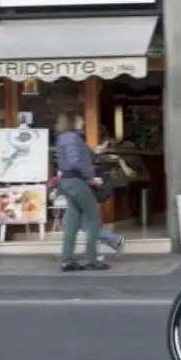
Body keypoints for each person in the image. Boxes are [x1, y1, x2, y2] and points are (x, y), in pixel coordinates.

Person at [55, 112, 109, 272]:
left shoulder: (67, 137)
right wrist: (90, 178)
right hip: (77, 181)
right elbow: (75, 161)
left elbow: (84, 155)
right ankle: (91, 259)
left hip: (68, 182)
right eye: (80, 119)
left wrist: (97, 151)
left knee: (72, 220)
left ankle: (67, 259)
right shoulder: (73, 138)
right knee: (93, 218)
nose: (83, 121)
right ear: (73, 121)